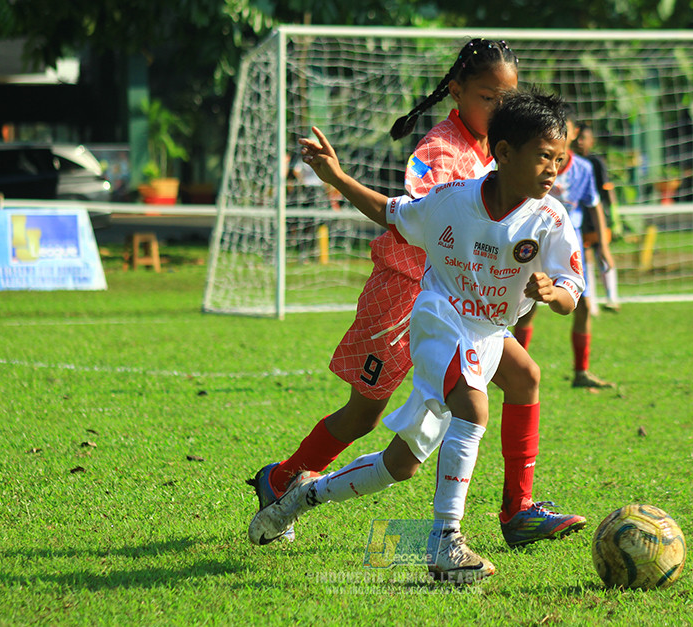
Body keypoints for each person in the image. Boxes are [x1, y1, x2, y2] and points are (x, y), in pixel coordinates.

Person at [247, 39, 586, 547]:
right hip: (409, 293)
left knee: (524, 377)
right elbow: (412, 214)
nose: (500, 109)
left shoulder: (506, 153)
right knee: (365, 414)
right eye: (489, 98)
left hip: (468, 304)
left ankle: (516, 511)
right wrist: (338, 178)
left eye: (507, 98)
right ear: (458, 92)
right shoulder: (441, 152)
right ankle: (285, 479)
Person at [513, 112, 615, 389]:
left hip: (573, 246)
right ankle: (511, 366)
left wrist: (603, 246)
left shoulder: (583, 168)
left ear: (572, 132)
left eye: (566, 129)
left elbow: (593, 205)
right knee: (527, 305)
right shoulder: (536, 162)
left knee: (582, 306)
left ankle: (581, 371)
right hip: (537, 243)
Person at [576, 123, 622, 313]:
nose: (580, 142)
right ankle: (591, 302)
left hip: (599, 215)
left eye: (583, 138)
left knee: (603, 253)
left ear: (591, 140)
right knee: (585, 258)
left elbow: (607, 189)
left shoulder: (595, 163)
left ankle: (612, 297)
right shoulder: (572, 162)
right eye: (578, 137)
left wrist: (615, 214)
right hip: (582, 218)